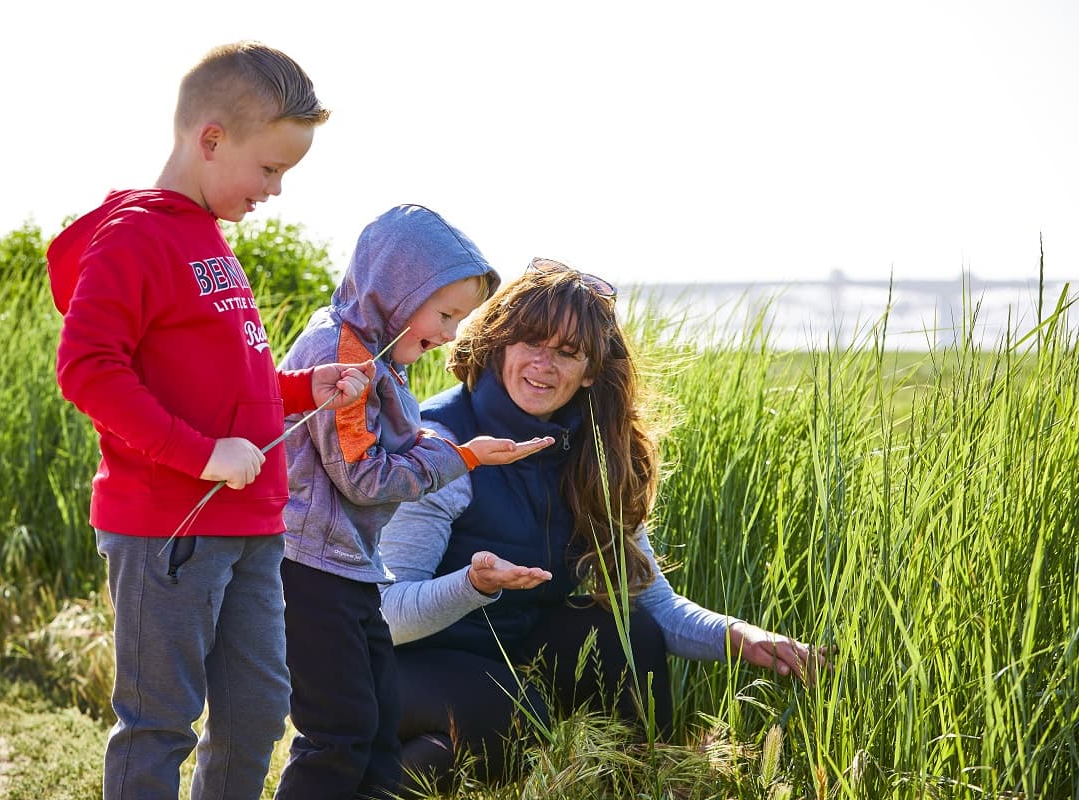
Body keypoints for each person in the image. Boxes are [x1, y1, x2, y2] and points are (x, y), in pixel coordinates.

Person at [47, 42, 374, 800]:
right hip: (172, 524)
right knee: (160, 722)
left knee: (259, 713)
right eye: (269, 170)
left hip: (254, 527)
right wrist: (198, 457)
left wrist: (304, 388)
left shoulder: (211, 240)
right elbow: (87, 368)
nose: (277, 190)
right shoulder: (136, 236)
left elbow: (234, 383)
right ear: (212, 138)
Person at [379, 257, 832, 790]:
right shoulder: (443, 448)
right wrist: (473, 585)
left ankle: (642, 779)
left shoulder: (594, 453)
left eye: (567, 352)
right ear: (499, 345)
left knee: (628, 632)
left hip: (509, 666)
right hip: (403, 666)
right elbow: (385, 615)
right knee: (507, 720)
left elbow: (655, 605)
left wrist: (740, 637)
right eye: (531, 342)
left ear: (591, 370)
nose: (544, 364)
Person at [273, 205, 554, 800]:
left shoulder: (381, 353)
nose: (452, 332)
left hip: (350, 567)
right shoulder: (344, 353)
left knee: (373, 726)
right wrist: (463, 456)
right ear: (398, 291)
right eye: (446, 313)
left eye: (461, 318)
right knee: (337, 735)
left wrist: (448, 450)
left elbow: (390, 443)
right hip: (311, 568)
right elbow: (364, 478)